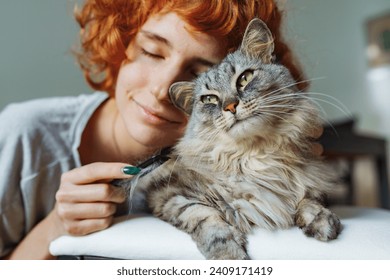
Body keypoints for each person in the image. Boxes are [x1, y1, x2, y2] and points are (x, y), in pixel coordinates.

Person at [0, 0, 322, 259]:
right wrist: (56, 225)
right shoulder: (23, 135)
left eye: (198, 74)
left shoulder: (229, 144)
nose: (162, 88)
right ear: (121, 42)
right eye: (152, 52)